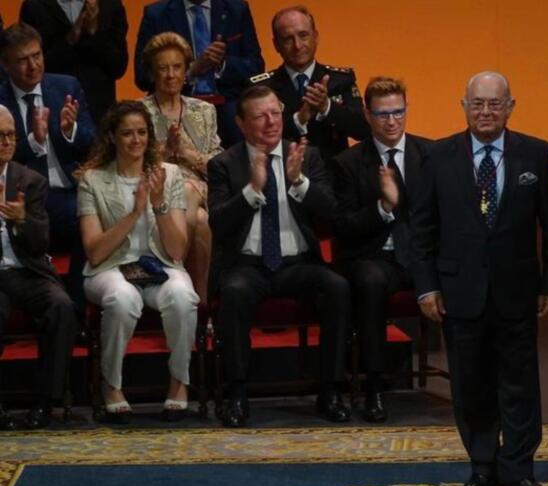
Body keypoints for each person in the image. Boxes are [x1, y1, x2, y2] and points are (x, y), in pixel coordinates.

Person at [411, 71, 548, 486]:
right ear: (463, 106)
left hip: (517, 290)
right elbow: (421, 229)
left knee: (519, 382)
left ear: (510, 107)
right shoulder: (438, 156)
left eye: (494, 104)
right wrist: (426, 287)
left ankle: (517, 467)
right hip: (460, 293)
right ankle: (482, 464)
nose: (485, 112)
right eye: (477, 103)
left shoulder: (535, 153)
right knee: (471, 383)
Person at [208, 84, 351, 427]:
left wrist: (298, 181)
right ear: (241, 123)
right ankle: (237, 394)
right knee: (235, 292)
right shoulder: (223, 164)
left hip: (298, 263)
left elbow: (332, 211)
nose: (272, 122)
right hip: (248, 265)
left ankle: (331, 390)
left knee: (337, 287)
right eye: (261, 116)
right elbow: (219, 223)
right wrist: (252, 190)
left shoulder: (306, 155)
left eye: (276, 113)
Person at [77, 100, 199, 423]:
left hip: (159, 266)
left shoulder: (169, 175)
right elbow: (95, 251)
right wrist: (134, 213)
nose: (136, 141)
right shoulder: (92, 180)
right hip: (110, 268)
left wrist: (158, 205)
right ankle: (112, 385)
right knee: (122, 297)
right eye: (127, 133)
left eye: (142, 133)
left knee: (183, 296)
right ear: (112, 138)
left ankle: (179, 382)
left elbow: (176, 251)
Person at [329, 76, 430, 422]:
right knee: (370, 281)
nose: (392, 121)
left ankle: (470, 382)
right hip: (373, 256)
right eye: (383, 114)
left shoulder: (429, 154)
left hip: (419, 256)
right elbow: (343, 228)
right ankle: (374, 387)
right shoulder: (347, 163)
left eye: (398, 112)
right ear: (368, 116)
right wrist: (384, 208)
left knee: (459, 272)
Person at [134, 0, 265, 148]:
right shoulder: (156, 14)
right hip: (176, 104)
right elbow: (142, 76)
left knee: (245, 124)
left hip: (228, 103)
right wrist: (191, 71)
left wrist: (221, 64)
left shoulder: (236, 10)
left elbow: (257, 67)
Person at [0, 22, 95, 307]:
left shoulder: (66, 86)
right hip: (23, 196)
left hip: (68, 189)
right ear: (5, 65)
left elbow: (93, 140)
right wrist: (32, 141)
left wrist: (69, 131)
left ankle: (77, 310)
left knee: (88, 215)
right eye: (22, 60)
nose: (33, 65)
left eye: (37, 55)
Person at [0, 105, 77, 430]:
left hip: (25, 270)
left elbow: (40, 244)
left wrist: (21, 221)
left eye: (10, 135)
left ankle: (45, 401)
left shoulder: (29, 180)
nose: (6, 142)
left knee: (60, 306)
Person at [140, 32, 222, 303]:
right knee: (199, 220)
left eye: (177, 67)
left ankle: (171, 273)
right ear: (152, 74)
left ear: (187, 71)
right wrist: (165, 152)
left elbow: (219, 168)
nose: (170, 75)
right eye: (162, 68)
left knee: (188, 188)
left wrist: (185, 153)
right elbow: (132, 165)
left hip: (201, 188)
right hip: (156, 193)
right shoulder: (138, 112)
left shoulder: (204, 110)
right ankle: (200, 303)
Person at [19, 0, 129, 123]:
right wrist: (72, 37)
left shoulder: (109, 4)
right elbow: (35, 67)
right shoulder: (35, 7)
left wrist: (94, 32)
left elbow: (118, 66)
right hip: (52, 107)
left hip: (100, 111)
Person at [251, 6, 369, 159]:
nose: (297, 46)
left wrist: (327, 107)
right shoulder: (262, 88)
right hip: (283, 175)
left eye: (303, 35)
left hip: (332, 176)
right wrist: (299, 119)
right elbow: (255, 138)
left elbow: (364, 129)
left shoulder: (341, 80)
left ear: (316, 37)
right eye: (288, 39)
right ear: (276, 45)